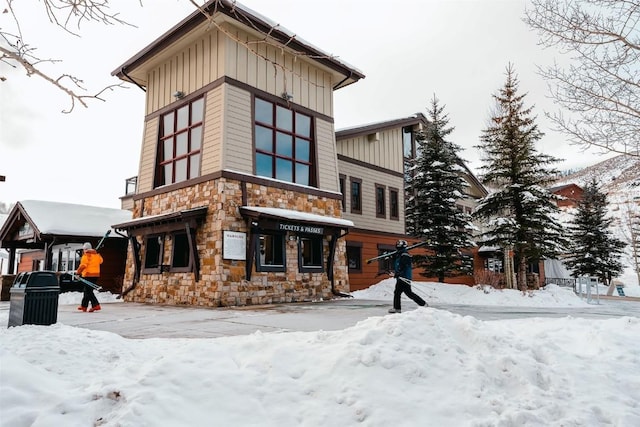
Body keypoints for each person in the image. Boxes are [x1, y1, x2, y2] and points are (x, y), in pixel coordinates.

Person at [388, 240, 427, 313]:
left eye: (399, 245)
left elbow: (403, 266)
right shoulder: (400, 254)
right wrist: (390, 256)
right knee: (405, 293)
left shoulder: (404, 255)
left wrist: (398, 273)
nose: (397, 247)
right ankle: (423, 304)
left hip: (404, 277)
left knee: (401, 292)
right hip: (402, 277)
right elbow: (397, 264)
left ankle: (397, 308)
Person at [76, 242, 103, 312]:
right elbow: (101, 261)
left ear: (86, 249)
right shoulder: (97, 255)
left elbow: (83, 265)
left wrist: (78, 273)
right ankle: (84, 306)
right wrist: (95, 253)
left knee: (88, 291)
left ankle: (96, 305)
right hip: (96, 275)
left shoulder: (86, 256)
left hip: (88, 275)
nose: (83, 251)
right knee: (87, 290)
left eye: (84, 249)